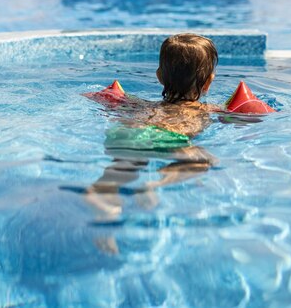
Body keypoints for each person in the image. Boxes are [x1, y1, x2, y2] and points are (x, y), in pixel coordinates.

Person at [83, 34, 219, 227]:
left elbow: (123, 103)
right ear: (208, 82)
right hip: (164, 138)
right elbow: (241, 115)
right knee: (204, 161)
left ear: (159, 76)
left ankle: (102, 191)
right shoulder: (204, 109)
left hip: (126, 131)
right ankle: (154, 185)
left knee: (126, 165)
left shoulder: (145, 105)